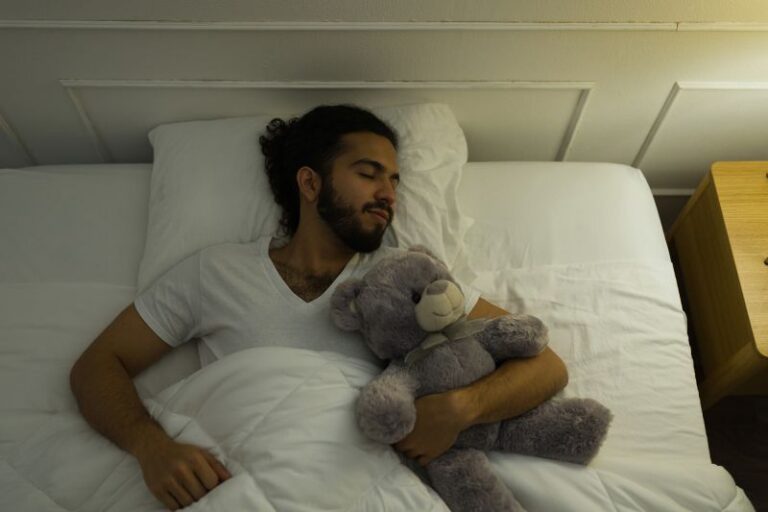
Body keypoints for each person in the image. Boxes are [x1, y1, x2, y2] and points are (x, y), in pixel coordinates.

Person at [70, 104, 568, 511]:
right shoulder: (215, 272)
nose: (388, 195)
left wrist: (461, 409)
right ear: (310, 184)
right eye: (369, 174)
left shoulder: (410, 278)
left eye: (394, 181)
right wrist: (150, 447)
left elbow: (545, 365)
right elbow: (97, 366)